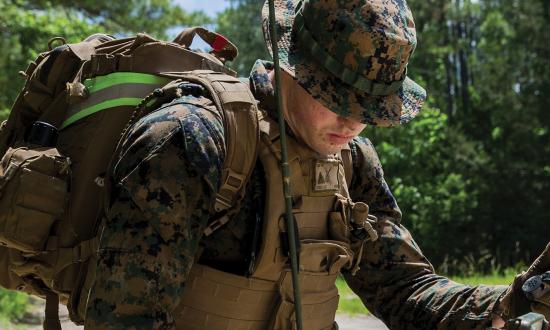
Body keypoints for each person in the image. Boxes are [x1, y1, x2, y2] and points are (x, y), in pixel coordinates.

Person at [84, 0, 550, 329]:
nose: (353, 121)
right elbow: (126, 319)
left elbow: (404, 293)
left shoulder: (351, 162)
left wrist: (516, 299)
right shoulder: (192, 139)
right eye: (338, 98)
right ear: (291, 64)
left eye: (371, 108)